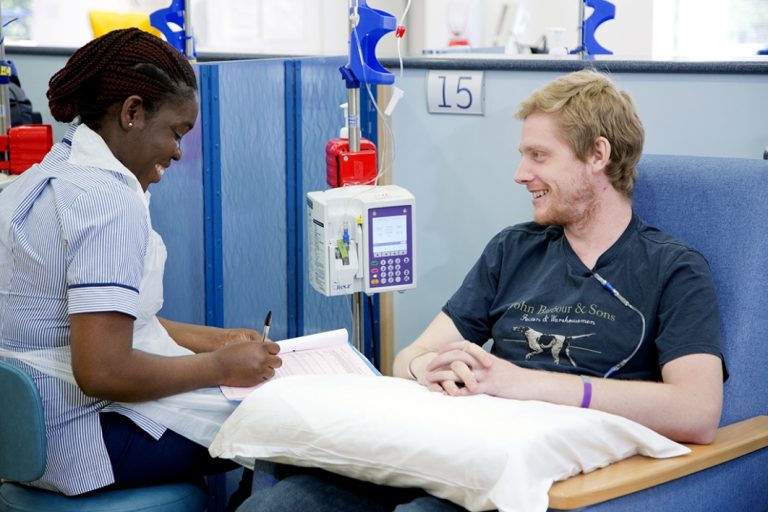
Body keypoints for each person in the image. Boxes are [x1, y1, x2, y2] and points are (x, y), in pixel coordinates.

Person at [238, 69, 726, 511]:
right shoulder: (514, 249)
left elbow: (698, 412)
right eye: (523, 155)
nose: (520, 174)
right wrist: (427, 368)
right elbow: (410, 356)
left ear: (598, 155)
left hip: (540, 484)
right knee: (278, 507)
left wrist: (526, 383)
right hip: (459, 454)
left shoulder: (672, 268)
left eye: (539, 156)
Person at [0, 28, 281, 509]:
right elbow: (103, 370)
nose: (178, 152)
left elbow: (107, 320)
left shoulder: (47, 175)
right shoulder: (107, 200)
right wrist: (219, 367)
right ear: (132, 113)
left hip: (22, 436)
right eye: (176, 132)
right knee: (281, 433)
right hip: (79, 442)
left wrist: (216, 340)